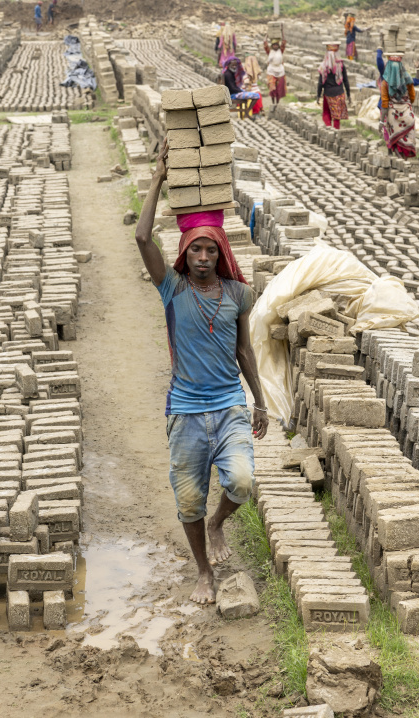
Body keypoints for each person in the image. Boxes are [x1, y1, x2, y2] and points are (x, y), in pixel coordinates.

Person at [135, 140, 269, 606]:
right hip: (186, 412)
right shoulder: (171, 290)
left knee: (242, 482)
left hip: (229, 406)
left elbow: (245, 352)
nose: (204, 257)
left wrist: (261, 401)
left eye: (211, 250)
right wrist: (157, 179)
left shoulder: (238, 295)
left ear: (220, 253)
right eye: (196, 250)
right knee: (187, 500)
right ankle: (204, 571)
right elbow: (141, 239)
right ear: (185, 254)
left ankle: (219, 523)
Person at [380, 53, 416, 159]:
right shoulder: (408, 80)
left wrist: (382, 121)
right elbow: (412, 98)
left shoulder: (385, 83)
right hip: (408, 115)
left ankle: (400, 163)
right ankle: (404, 163)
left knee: (396, 139)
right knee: (407, 141)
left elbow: (385, 105)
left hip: (393, 116)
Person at [317, 41, 351, 130]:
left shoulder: (323, 66)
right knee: (337, 116)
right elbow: (346, 81)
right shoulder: (341, 65)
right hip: (339, 93)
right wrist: (348, 94)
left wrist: (318, 95)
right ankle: (336, 132)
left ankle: (329, 130)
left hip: (328, 94)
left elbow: (320, 83)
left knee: (326, 113)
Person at [264, 30, 286, 106]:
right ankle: (273, 102)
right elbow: (265, 44)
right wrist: (267, 35)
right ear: (272, 46)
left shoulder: (281, 50)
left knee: (279, 88)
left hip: (280, 70)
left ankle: (278, 102)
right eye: (274, 45)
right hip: (271, 70)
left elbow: (284, 42)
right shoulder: (269, 51)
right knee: (272, 88)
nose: (275, 46)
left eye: (276, 45)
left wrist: (281, 32)